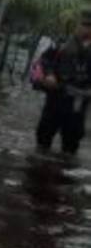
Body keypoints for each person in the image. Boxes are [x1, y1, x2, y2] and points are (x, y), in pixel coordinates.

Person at [35, 10, 91, 155]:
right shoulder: (61, 44)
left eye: (90, 26)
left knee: (71, 145)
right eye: (84, 25)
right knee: (43, 139)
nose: (87, 29)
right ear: (78, 26)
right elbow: (43, 62)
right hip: (56, 97)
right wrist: (49, 75)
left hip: (79, 103)